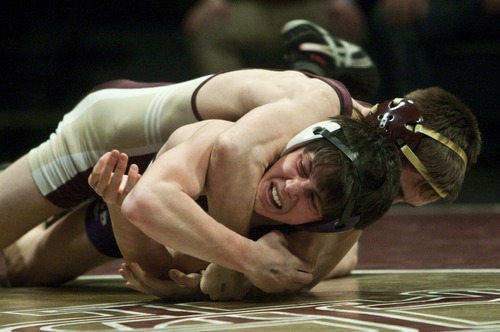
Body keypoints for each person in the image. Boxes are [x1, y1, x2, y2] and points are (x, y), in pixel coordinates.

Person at [0, 20, 481, 293]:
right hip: (107, 139)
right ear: (390, 134)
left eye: (405, 201)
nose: (389, 199)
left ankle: (322, 63)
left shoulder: (363, 168)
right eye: (398, 188)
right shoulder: (319, 106)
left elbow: (321, 261)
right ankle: (318, 69)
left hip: (170, 185)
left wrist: (247, 270)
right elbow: (232, 151)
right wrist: (238, 262)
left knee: (21, 272)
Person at [6, 116, 401, 300]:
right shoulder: (222, 144)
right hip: (111, 146)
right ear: (296, 145)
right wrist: (249, 259)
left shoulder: (309, 241)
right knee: (21, 266)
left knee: (22, 273)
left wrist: (189, 287)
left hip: (133, 205)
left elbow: (162, 274)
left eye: (312, 198)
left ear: (323, 223)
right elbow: (144, 207)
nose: (292, 187)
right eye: (301, 166)